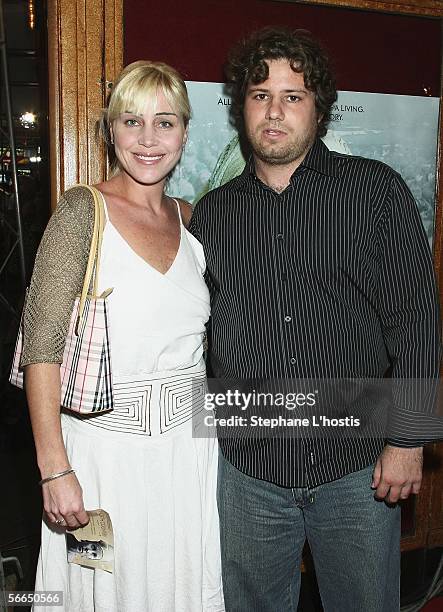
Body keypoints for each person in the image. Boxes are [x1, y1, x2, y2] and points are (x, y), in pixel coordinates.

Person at [189, 27, 441, 611]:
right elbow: (205, 336)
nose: (274, 112)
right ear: (241, 105)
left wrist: (407, 441)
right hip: (249, 472)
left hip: (357, 471)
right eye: (260, 94)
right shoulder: (216, 213)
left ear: (319, 108)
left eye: (293, 96)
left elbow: (417, 321)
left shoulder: (374, 193)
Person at [20, 61, 224, 611]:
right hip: (104, 459)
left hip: (187, 454)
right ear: (111, 132)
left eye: (165, 122)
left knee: (180, 585)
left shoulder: (190, 219)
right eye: (132, 121)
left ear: (184, 131)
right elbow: (41, 348)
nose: (148, 139)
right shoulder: (82, 212)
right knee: (99, 587)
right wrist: (55, 470)